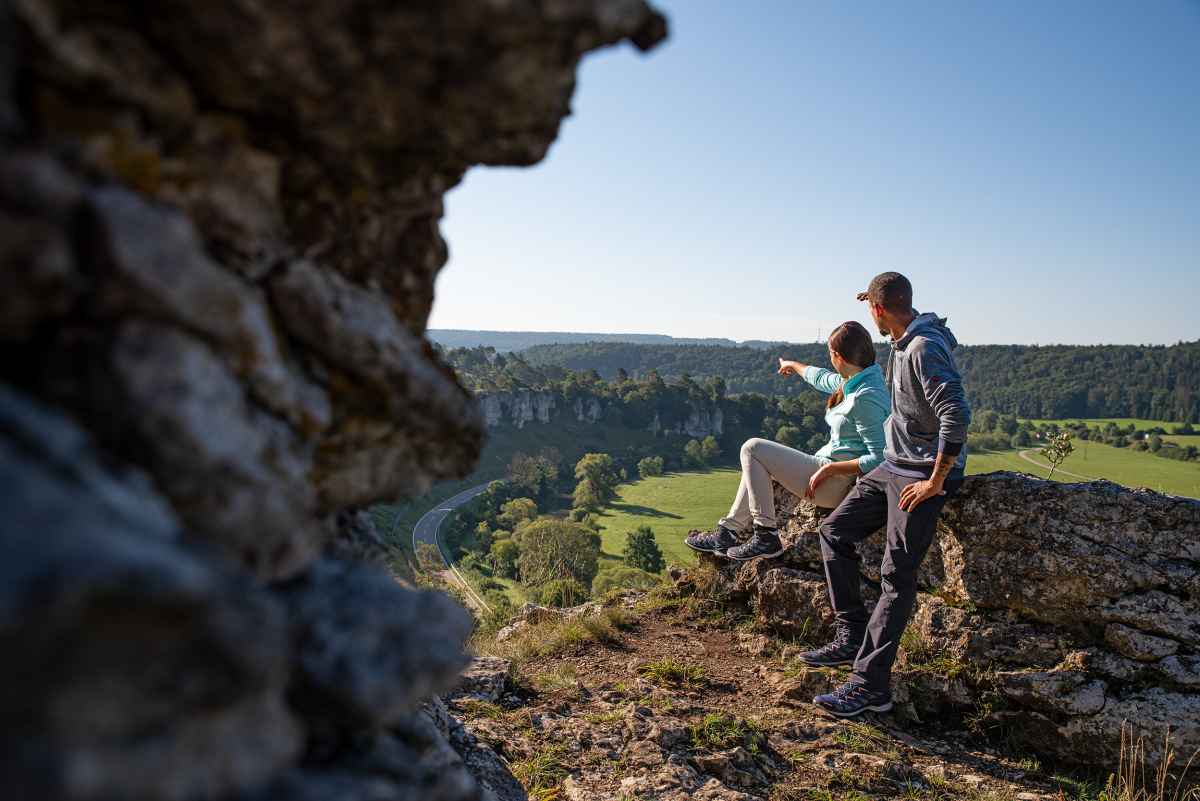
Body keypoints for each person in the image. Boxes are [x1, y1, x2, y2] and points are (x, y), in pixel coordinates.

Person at [802, 272, 971, 718]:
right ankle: (851, 634)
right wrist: (875, 301)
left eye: (871, 308)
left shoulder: (922, 348)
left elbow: (955, 411)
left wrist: (936, 481)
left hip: (919, 476)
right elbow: (894, 311)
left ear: (878, 310)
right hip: (893, 466)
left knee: (896, 577)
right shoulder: (905, 336)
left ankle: (870, 686)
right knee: (834, 532)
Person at [684, 321, 889, 561]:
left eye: (830, 355)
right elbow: (821, 378)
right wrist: (793, 365)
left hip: (836, 483)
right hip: (828, 470)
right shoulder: (859, 379)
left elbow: (879, 458)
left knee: (752, 449)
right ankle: (728, 532)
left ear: (838, 356)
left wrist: (831, 469)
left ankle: (766, 536)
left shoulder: (866, 397)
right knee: (758, 461)